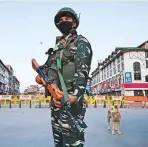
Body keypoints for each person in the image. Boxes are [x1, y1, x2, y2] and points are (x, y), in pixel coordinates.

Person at [35, 7, 93, 147]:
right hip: (56, 103)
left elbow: (82, 72)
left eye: (67, 19)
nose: (63, 22)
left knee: (73, 142)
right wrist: (39, 78)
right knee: (59, 142)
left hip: (71, 103)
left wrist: (74, 96)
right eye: (60, 20)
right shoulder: (57, 48)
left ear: (74, 23)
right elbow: (47, 69)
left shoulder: (80, 42)